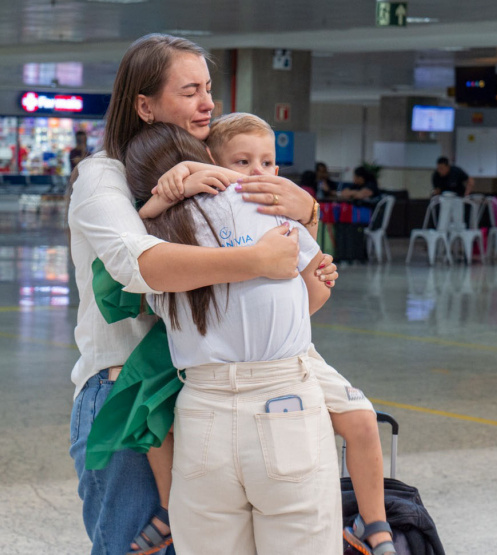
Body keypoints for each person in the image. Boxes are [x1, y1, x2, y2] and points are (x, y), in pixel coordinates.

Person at [67, 34, 334, 555]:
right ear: (144, 105)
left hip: (198, 391)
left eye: (208, 88)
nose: (208, 103)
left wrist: (307, 217)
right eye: (190, 91)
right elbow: (136, 265)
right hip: (125, 391)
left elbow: (293, 284)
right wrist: (254, 258)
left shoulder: (216, 175)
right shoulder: (104, 176)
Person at [130, 113, 394, 555]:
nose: (257, 173)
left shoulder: (164, 227)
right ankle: (377, 527)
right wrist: (307, 238)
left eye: (268, 163)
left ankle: (377, 523)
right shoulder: (276, 216)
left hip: (202, 404)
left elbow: (128, 261)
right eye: (244, 161)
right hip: (281, 392)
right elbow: (309, 300)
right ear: (210, 159)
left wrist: (162, 199)